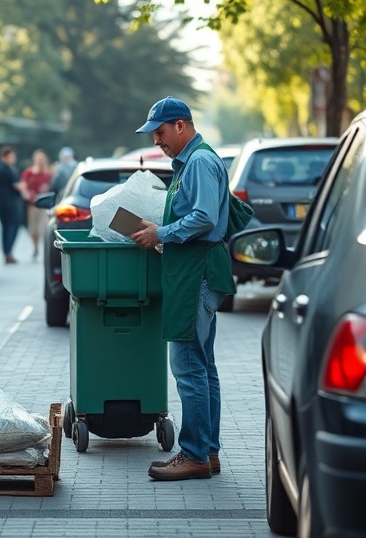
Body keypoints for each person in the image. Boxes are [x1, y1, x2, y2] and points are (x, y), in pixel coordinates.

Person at [129, 96, 234, 482]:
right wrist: (159, 233)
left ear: (180, 125)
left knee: (188, 366)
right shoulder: (193, 161)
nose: (157, 141)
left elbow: (204, 217)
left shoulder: (201, 162)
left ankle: (193, 455)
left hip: (198, 275)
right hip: (198, 271)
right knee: (203, 367)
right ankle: (207, 451)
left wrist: (163, 232)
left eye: (159, 132)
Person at [0, 146, 26, 264]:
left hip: (1, 202)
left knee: (5, 227)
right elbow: (18, 185)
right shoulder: (7, 170)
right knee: (13, 226)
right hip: (11, 203)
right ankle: (8, 252)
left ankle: (7, 252)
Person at [20, 149, 52, 261]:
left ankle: (39, 248)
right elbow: (23, 186)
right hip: (32, 205)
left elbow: (52, 187)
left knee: (40, 229)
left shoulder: (47, 174)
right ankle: (35, 247)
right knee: (32, 230)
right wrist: (26, 193)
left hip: (42, 206)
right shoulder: (29, 173)